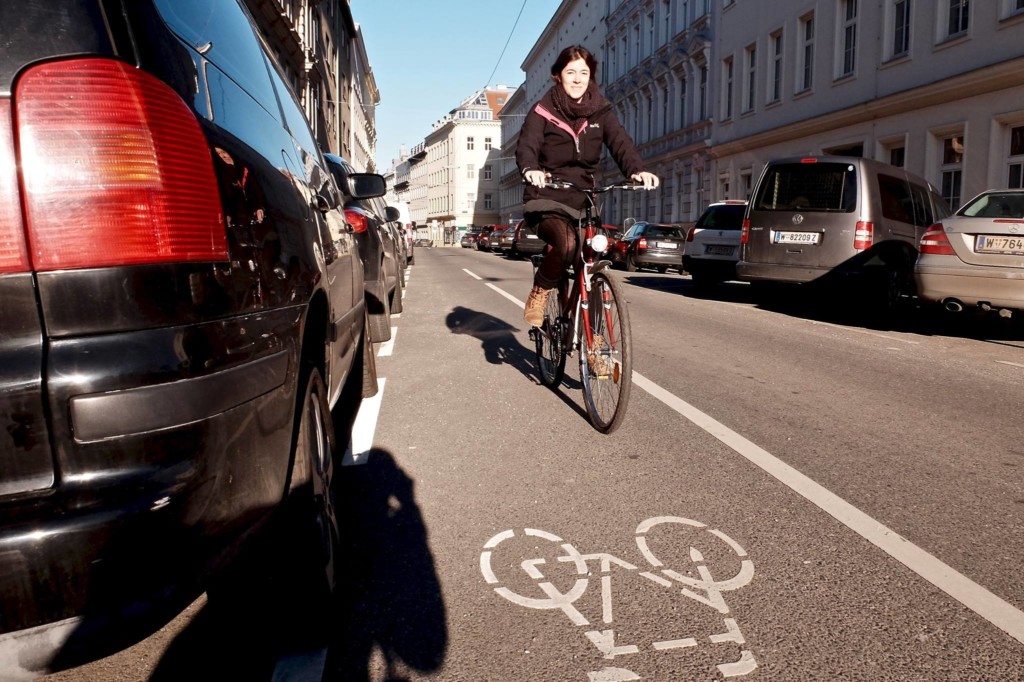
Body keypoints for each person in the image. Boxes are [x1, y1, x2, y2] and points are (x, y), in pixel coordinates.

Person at [516, 44, 659, 326]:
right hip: (546, 196)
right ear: (558, 75)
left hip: (583, 199)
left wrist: (637, 170)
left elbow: (620, 143)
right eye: (571, 72)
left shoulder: (600, 111)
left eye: (584, 72)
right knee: (566, 244)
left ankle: (593, 341)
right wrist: (531, 169)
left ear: (591, 75)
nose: (578, 79)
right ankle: (540, 291)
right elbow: (527, 146)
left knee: (590, 261)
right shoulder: (543, 110)